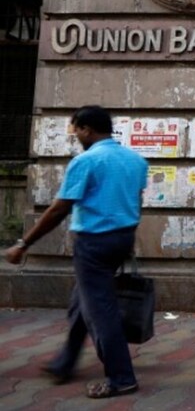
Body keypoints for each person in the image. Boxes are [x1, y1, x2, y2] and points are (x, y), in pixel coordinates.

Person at [4, 105, 148, 399]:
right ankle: (65, 362)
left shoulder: (86, 161)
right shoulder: (136, 160)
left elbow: (59, 209)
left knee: (101, 311)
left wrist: (24, 243)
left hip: (94, 243)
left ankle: (122, 378)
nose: (76, 137)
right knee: (82, 302)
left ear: (86, 129)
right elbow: (135, 200)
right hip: (123, 238)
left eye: (76, 131)